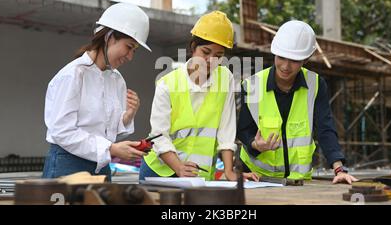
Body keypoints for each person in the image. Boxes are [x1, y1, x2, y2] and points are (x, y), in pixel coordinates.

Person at [140, 11, 258, 181]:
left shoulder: (225, 78)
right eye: (206, 52)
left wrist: (229, 170)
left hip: (199, 174)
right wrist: (179, 167)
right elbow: (158, 135)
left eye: (218, 56)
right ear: (192, 47)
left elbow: (227, 129)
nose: (210, 61)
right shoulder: (168, 84)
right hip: (160, 171)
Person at [237, 20, 358, 184]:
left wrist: (339, 169)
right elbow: (244, 130)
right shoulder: (252, 86)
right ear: (274, 53)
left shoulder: (315, 85)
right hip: (258, 178)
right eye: (281, 57)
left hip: (298, 182)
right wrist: (255, 144)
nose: (285, 66)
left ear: (306, 59)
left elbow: (325, 128)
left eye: (294, 60)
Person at [42, 3, 151, 181]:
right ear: (109, 37)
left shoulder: (116, 79)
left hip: (100, 165)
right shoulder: (73, 75)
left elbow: (108, 131)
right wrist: (111, 149)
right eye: (129, 47)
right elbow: (62, 131)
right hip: (68, 164)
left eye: (134, 51)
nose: (130, 56)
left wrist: (127, 116)